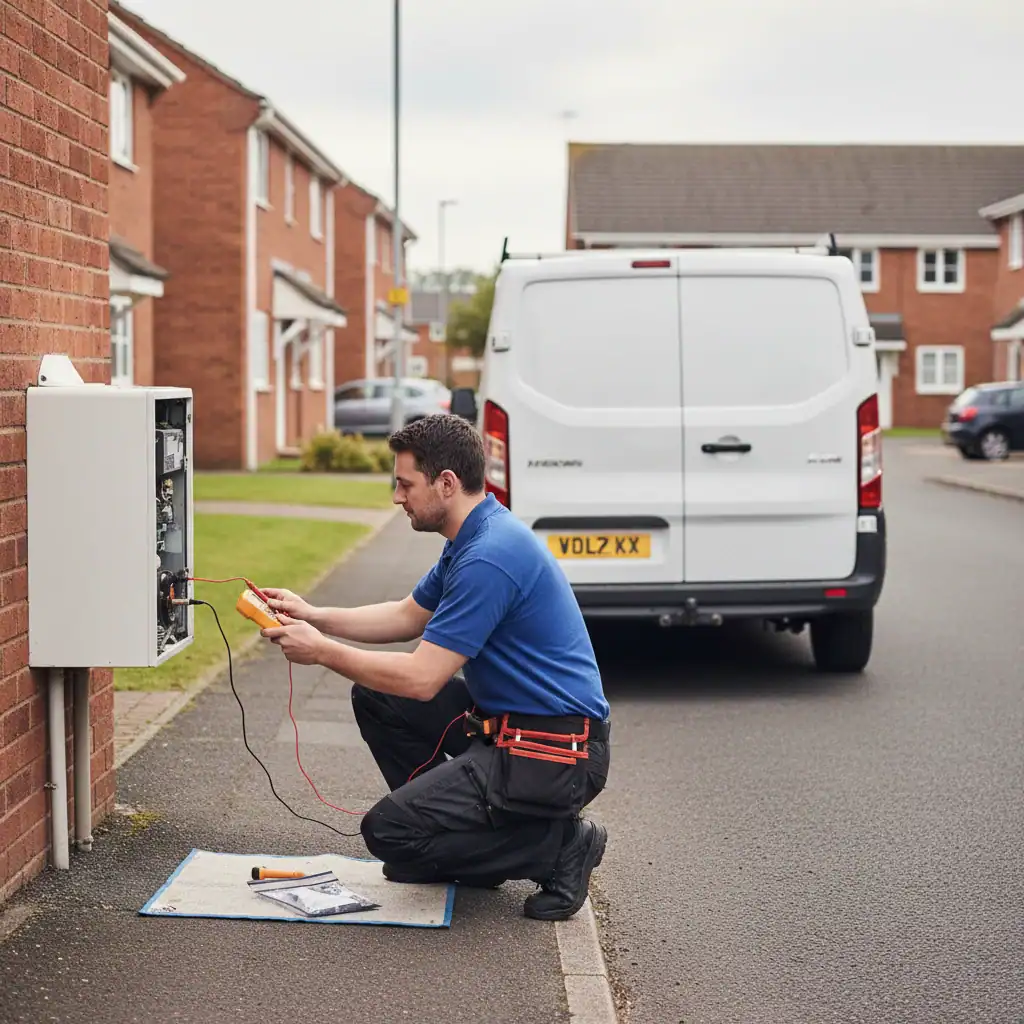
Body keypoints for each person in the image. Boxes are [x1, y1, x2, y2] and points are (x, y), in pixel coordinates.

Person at [259, 414, 610, 921]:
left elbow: (423, 680)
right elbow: (407, 616)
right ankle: (462, 843)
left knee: (389, 834)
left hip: (554, 753)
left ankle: (560, 847)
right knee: (377, 696)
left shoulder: (489, 557)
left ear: (446, 483)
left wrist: (322, 651)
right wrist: (312, 614)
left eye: (405, 484)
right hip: (508, 729)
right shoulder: (473, 537)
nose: (397, 497)